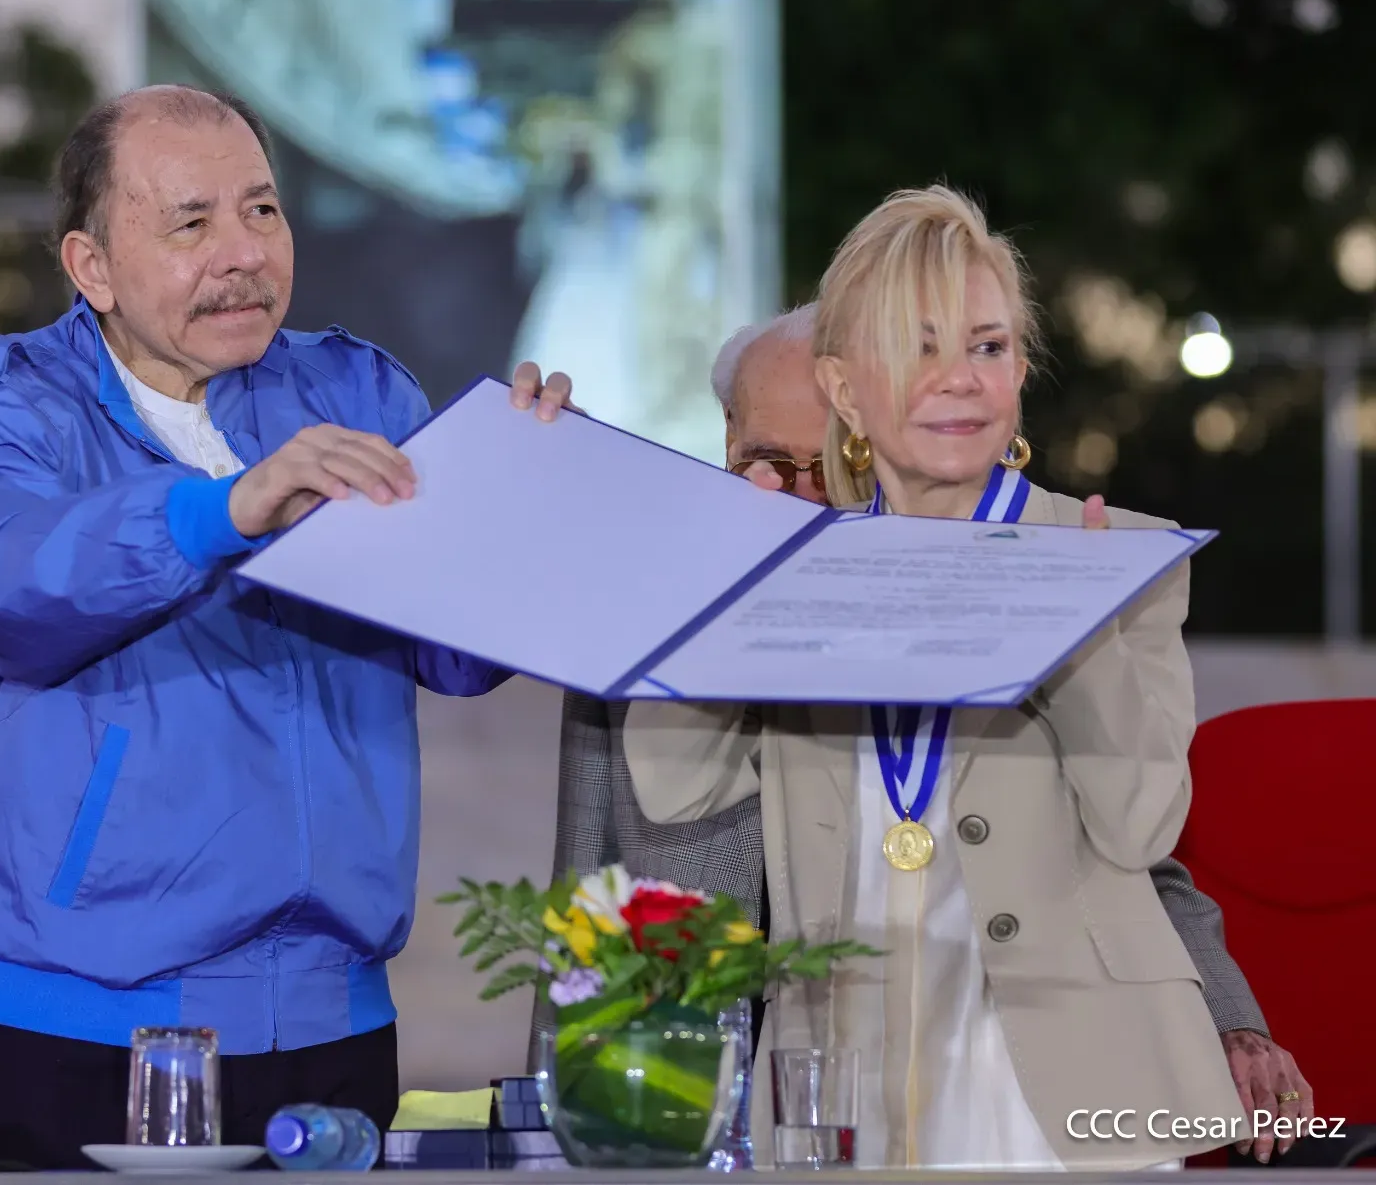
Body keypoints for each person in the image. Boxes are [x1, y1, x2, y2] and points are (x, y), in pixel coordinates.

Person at [0, 84, 575, 1169]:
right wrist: (224, 511)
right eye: (191, 223)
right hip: (78, 1018)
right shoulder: (2, 405)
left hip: (333, 1012)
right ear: (91, 267)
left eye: (262, 210)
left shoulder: (359, 391)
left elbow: (455, 653)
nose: (244, 253)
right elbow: (4, 588)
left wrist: (529, 497)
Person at [546, 299, 1309, 1163]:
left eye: (830, 465)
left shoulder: (981, 592)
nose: (798, 495)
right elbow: (598, 857)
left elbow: (1128, 854)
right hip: (705, 1078)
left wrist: (1230, 1019)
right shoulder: (666, 601)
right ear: (728, 443)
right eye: (769, 462)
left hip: (958, 1079)